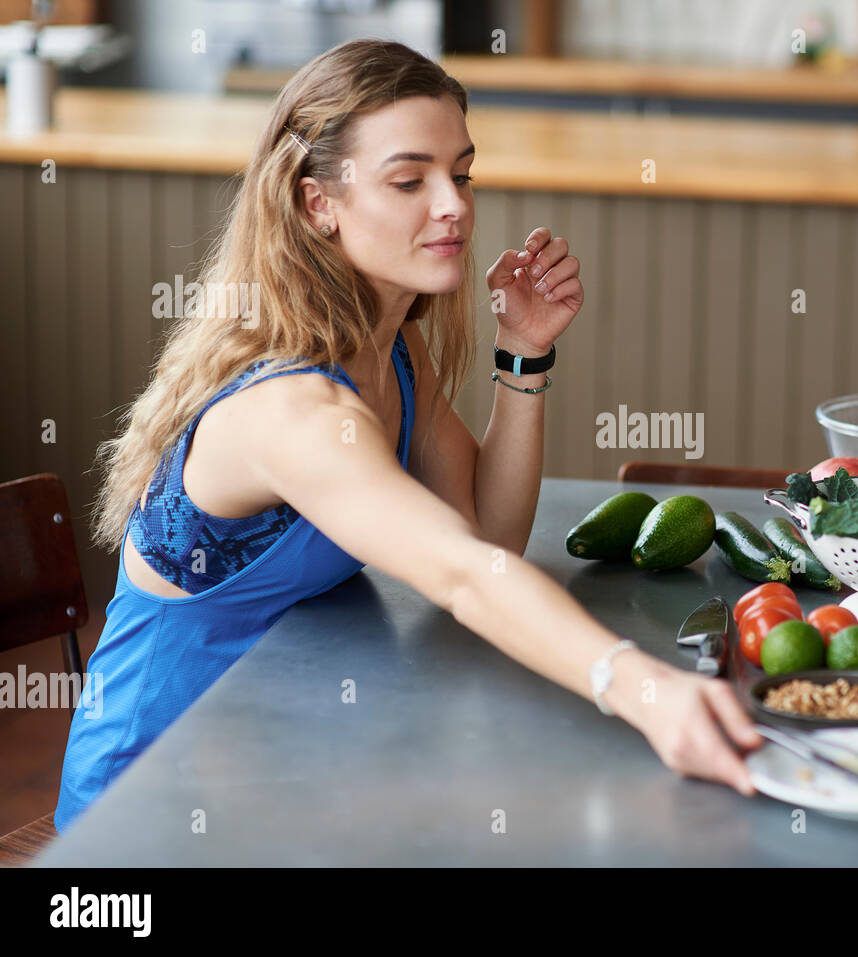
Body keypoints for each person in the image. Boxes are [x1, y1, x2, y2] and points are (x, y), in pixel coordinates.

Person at [55, 39, 759, 834]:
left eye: (459, 173)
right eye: (408, 179)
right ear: (319, 202)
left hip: (277, 767)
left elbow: (487, 533)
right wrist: (647, 689)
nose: (453, 203)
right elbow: (464, 576)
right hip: (145, 809)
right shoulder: (292, 411)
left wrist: (524, 356)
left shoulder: (392, 348)